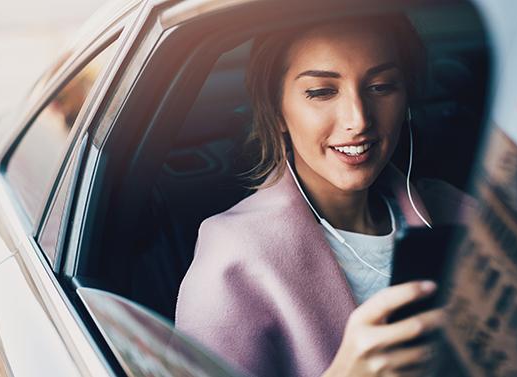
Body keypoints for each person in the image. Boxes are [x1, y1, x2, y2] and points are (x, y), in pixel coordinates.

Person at [175, 14, 472, 377]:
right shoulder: (233, 258)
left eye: (381, 86)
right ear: (276, 110)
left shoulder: (454, 211)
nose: (359, 119)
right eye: (322, 92)